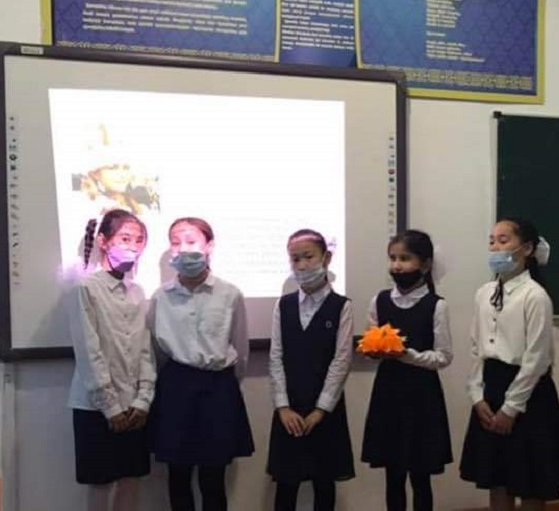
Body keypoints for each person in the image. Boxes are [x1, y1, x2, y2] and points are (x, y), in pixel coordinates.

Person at [460, 217, 559, 510]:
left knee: (530, 481)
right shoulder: (484, 293)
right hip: (491, 388)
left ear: (527, 249)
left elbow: (537, 358)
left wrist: (511, 408)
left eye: (504, 240)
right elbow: (476, 347)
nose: (495, 247)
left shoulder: (535, 296)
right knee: (497, 479)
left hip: (527, 395)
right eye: (492, 241)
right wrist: (477, 395)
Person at [149, 217, 254, 511]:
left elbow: (240, 348)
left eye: (191, 241)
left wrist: (226, 384)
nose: (183, 248)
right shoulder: (161, 297)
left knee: (213, 477)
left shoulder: (229, 293)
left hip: (218, 387)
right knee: (178, 474)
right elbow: (155, 350)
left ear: (209, 245)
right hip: (176, 387)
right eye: (175, 242)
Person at [68, 209, 155, 511]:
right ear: (103, 241)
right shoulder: (85, 288)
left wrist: (144, 399)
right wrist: (110, 406)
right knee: (101, 484)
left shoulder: (137, 291)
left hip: (134, 405)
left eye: (139, 240)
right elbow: (88, 351)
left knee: (132, 480)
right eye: (125, 238)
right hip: (95, 406)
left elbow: (145, 349)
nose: (133, 247)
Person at [361, 230, 453, 511]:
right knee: (393, 474)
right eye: (392, 258)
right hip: (388, 393)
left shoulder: (436, 305)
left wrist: (406, 355)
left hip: (422, 396)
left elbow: (443, 356)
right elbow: (372, 338)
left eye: (405, 258)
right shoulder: (379, 301)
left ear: (425, 265)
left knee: (420, 476)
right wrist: (373, 350)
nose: (397, 266)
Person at [267, 229, 355, 511]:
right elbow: (276, 357)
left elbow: (341, 361)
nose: (302, 265)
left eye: (308, 257)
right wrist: (283, 407)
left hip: (325, 410)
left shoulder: (341, 306)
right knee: (286, 483)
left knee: (324, 481)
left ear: (326, 258)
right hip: (289, 409)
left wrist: (321, 409)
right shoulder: (283, 305)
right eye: (295, 259)